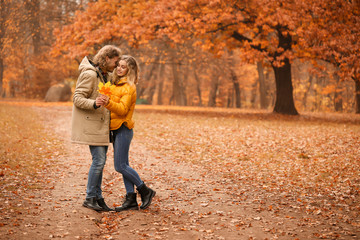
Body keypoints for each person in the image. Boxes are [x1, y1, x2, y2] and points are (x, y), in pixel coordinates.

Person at [99, 55, 156, 211]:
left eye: (123, 67)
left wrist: (108, 103)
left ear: (130, 70)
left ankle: (145, 190)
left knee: (120, 166)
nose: (119, 68)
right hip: (115, 128)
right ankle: (131, 199)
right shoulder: (113, 84)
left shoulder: (129, 87)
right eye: (118, 65)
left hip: (123, 128)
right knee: (124, 165)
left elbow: (123, 110)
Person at [71, 45, 121, 212]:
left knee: (101, 161)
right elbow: (77, 98)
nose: (117, 64)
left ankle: (98, 198)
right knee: (98, 161)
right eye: (115, 61)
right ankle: (90, 197)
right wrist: (94, 103)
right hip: (92, 125)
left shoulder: (105, 75)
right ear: (106, 58)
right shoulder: (90, 74)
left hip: (101, 126)